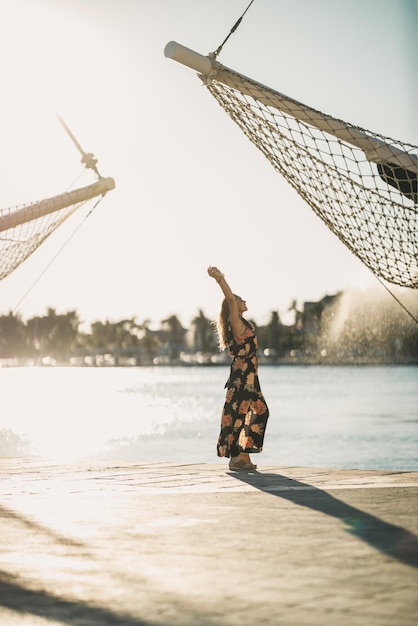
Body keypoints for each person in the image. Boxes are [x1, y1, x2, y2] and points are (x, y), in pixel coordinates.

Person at [207, 265, 269, 470]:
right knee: (239, 415)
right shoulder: (235, 322)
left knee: (259, 411)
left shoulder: (243, 322)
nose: (243, 302)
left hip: (251, 377)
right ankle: (236, 458)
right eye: (241, 300)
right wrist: (220, 279)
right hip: (242, 376)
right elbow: (230, 299)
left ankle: (243, 455)